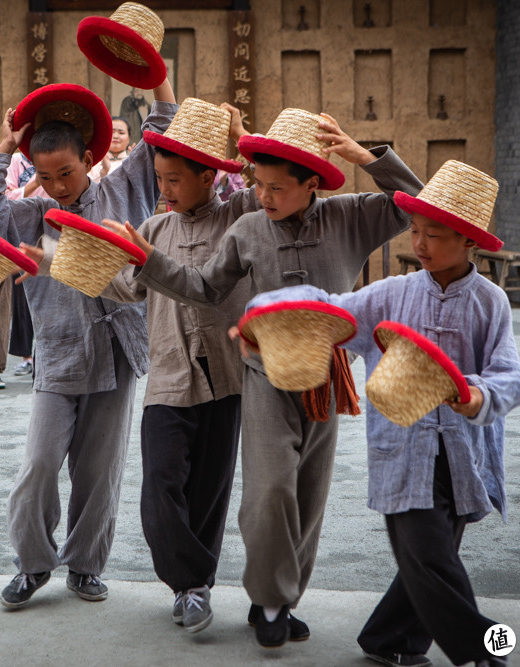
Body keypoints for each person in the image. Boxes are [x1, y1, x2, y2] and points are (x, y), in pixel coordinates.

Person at [117, 108, 423, 647]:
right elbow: (203, 287)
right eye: (258, 185)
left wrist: (364, 157)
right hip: (262, 376)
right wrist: (148, 260)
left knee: (308, 496)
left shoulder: (351, 217)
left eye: (277, 188)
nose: (263, 197)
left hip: (328, 378)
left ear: (312, 183)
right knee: (269, 491)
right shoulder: (248, 229)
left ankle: (277, 602)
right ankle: (271, 594)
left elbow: (417, 206)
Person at [245, 160, 520, 667]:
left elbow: (509, 378)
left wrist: (477, 396)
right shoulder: (392, 294)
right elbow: (328, 305)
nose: (419, 244)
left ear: (470, 242)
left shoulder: (491, 303)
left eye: (434, 235)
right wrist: (269, 315)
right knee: (428, 553)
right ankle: (483, 647)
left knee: (429, 558)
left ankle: (388, 639)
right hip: (403, 453)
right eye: (415, 230)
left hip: (464, 456)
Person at [0, 81, 177, 609]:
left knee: (98, 472)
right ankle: (33, 565)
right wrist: (3, 149)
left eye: (67, 172)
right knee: (38, 465)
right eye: (45, 176)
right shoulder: (31, 216)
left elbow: (159, 138)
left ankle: (84, 566)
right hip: (57, 355)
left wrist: (158, 78)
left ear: (89, 158)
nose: (57, 186)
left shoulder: (123, 191)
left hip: (116, 350)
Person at [99, 99, 257, 634]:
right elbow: (125, 286)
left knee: (209, 490)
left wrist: (243, 143)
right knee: (160, 487)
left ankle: (196, 589)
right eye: (160, 179)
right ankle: (188, 581)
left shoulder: (240, 217)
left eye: (174, 179)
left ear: (208, 176)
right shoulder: (155, 230)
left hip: (227, 379)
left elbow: (269, 189)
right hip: (167, 378)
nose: (164, 190)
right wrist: (52, 261)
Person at [4, 151, 43, 377]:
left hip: (52, 225)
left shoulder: (54, 149)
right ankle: (26, 357)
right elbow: (7, 196)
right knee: (23, 295)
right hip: (22, 228)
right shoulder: (17, 160)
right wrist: (36, 182)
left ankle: (45, 356)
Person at [88, 116, 131, 182]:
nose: (115, 136)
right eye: (112, 132)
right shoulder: (93, 163)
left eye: (121, 133)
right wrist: (103, 173)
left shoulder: (132, 162)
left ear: (129, 138)